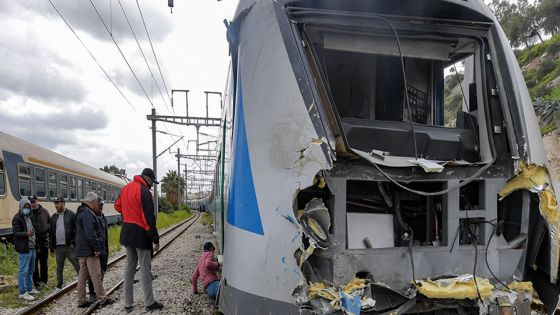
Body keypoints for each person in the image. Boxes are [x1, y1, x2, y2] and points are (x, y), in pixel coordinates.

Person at [115, 168, 163, 312]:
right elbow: (148, 219)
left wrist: (129, 213)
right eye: (152, 182)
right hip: (140, 234)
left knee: (129, 268)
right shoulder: (144, 192)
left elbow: (117, 206)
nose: (151, 185)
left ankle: (128, 304)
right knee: (144, 269)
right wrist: (155, 239)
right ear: (147, 179)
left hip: (127, 232)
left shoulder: (126, 188)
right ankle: (149, 302)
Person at [75, 192, 114, 308]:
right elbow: (90, 233)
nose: (97, 204)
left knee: (82, 276)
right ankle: (102, 299)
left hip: (81, 250)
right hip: (90, 251)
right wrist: (96, 248)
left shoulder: (80, 212)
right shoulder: (87, 213)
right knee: (96, 275)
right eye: (97, 202)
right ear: (92, 202)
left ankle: (81, 300)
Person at [49, 195, 79, 290]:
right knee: (59, 267)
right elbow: (51, 234)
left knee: (77, 265)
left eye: (57, 203)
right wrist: (51, 248)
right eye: (55, 203)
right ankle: (59, 285)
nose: (56, 205)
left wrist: (73, 242)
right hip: (59, 247)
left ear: (63, 203)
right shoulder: (53, 217)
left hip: (69, 247)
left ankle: (83, 282)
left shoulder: (71, 215)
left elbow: (77, 230)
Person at [12, 198, 39, 301]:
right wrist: (26, 234)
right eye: (25, 207)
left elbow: (34, 228)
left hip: (32, 247)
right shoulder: (17, 218)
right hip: (24, 248)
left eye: (28, 207)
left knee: (31, 270)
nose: (27, 209)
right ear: (21, 207)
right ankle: (22, 292)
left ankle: (29, 288)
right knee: (23, 271)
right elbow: (16, 233)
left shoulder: (30, 217)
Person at [87, 197, 109, 302]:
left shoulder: (102, 216)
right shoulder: (92, 217)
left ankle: (98, 291)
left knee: (102, 272)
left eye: (102, 205)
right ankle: (92, 293)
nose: (101, 207)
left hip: (104, 249)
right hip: (96, 251)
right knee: (94, 274)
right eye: (99, 205)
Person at [30, 195, 50, 289]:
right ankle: (37, 284)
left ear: (37, 201)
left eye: (34, 202)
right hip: (34, 244)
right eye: (31, 202)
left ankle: (44, 282)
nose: (33, 204)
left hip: (44, 243)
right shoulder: (29, 214)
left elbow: (49, 225)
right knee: (34, 266)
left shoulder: (45, 212)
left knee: (44, 264)